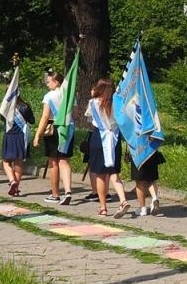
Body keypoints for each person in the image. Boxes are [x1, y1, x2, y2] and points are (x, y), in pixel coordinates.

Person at [84, 78, 129, 218]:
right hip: (114, 139)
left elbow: (89, 118)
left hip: (99, 137)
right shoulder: (117, 103)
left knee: (100, 174)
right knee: (114, 172)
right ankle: (123, 200)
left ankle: (103, 207)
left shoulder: (93, 102)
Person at [32, 68, 75, 205]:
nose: (47, 84)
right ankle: (68, 191)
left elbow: (45, 116)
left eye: (49, 81)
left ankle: (55, 194)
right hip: (68, 128)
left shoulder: (49, 96)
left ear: (56, 82)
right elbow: (73, 113)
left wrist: (38, 134)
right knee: (64, 160)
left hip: (55, 128)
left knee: (53, 162)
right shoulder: (69, 94)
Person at [0, 92, 34, 197]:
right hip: (21, 136)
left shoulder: (4, 106)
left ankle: (12, 180)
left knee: (6, 162)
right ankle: (16, 188)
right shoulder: (25, 106)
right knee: (19, 163)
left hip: (9, 135)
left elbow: (2, 119)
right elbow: (32, 121)